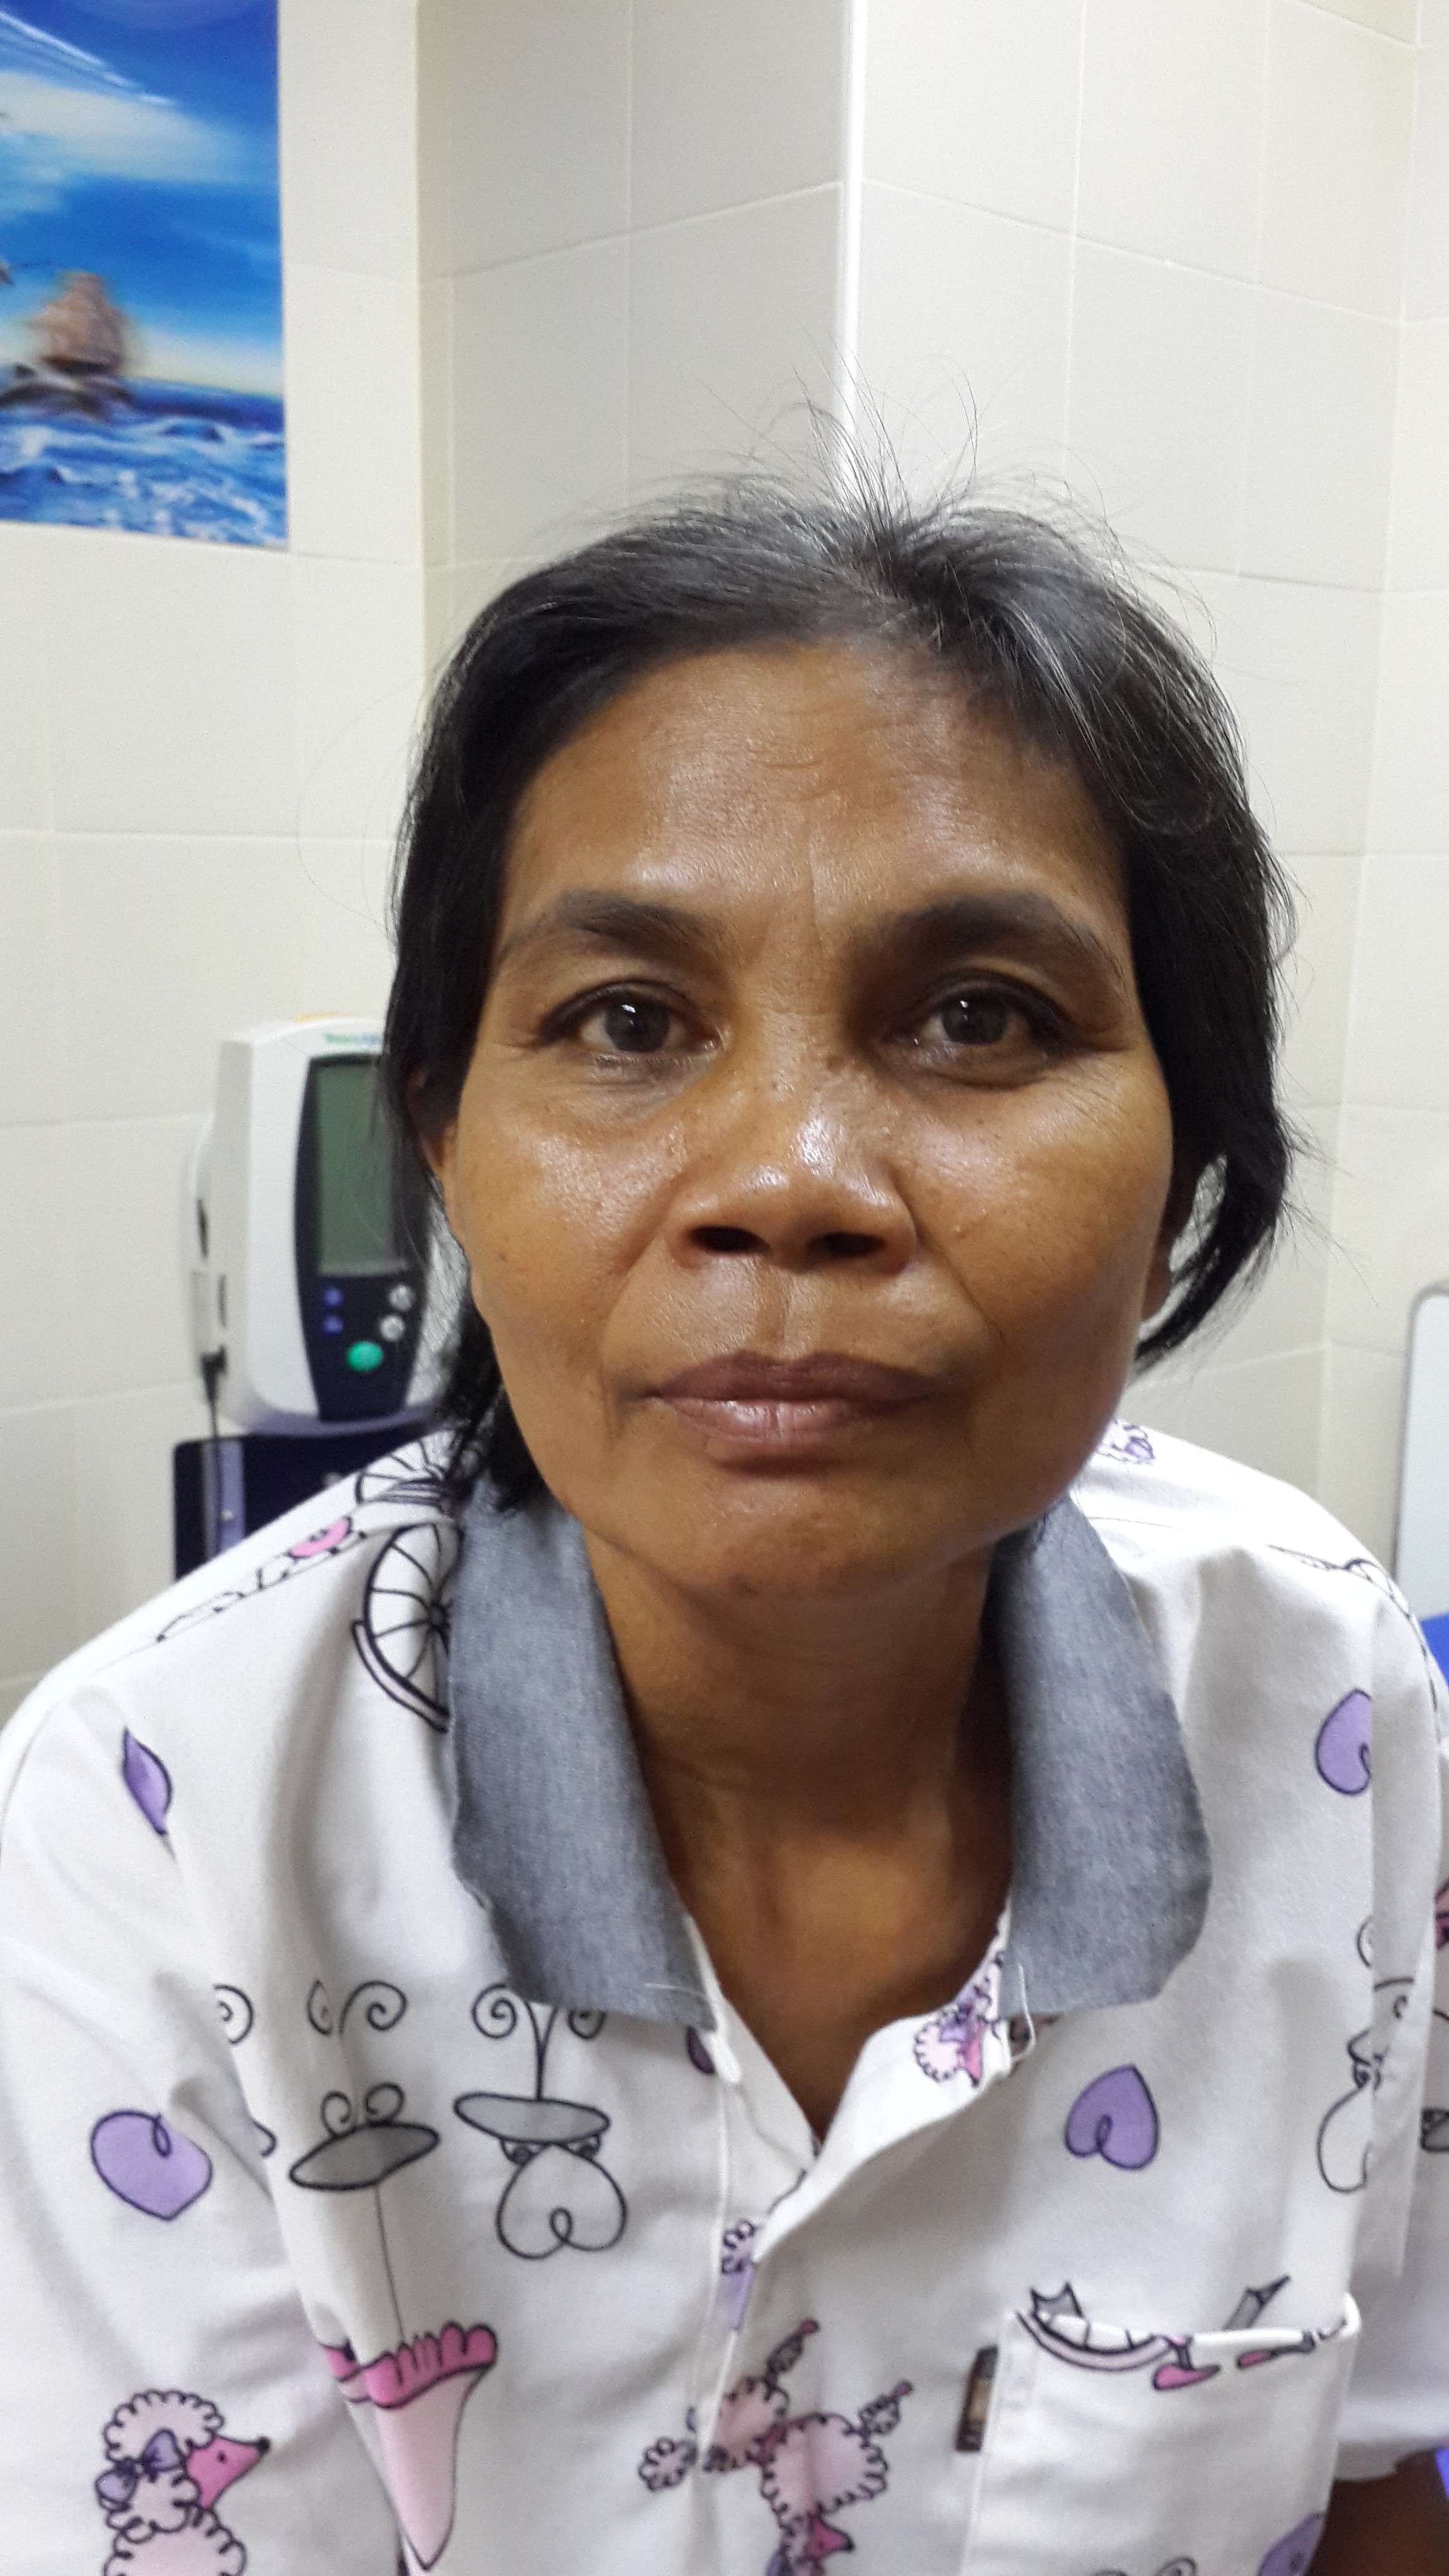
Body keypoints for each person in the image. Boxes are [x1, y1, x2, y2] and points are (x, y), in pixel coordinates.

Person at [2, 483, 1447, 2576]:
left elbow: (1370, 2472)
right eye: (626, 1021)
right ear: (445, 1142)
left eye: (979, 1015)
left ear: (1180, 1181)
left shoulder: (1322, 1691)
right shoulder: (160, 1825)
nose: (789, 1180)